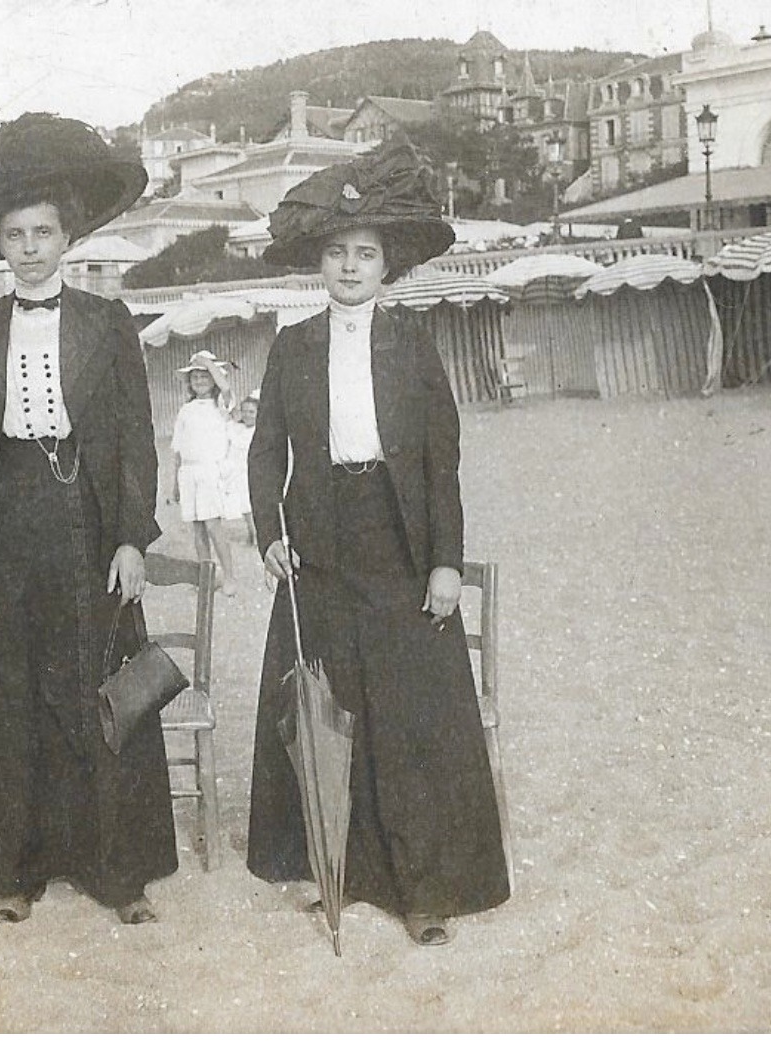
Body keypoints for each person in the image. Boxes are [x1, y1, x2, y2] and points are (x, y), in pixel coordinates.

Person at [246, 140, 510, 946]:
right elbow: (265, 450)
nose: (350, 266)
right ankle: (340, 868)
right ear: (317, 265)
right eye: (335, 253)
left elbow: (439, 459)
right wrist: (270, 534)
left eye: (364, 254)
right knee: (332, 703)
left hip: (398, 540)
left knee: (411, 713)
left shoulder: (412, 344)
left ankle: (422, 887)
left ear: (385, 264)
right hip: (319, 541)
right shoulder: (293, 346)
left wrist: (442, 562)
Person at [0, 112, 176, 927]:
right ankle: (16, 867)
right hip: (5, 517)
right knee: (6, 694)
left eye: (43, 232)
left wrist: (132, 537)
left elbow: (136, 438)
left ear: (67, 239)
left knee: (94, 683)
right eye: (14, 234)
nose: (29, 247)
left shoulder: (108, 323)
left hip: (87, 516)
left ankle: (114, 870)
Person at [169, 351, 239, 595]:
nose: (199, 381)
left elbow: (226, 386)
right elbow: (177, 449)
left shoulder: (220, 405)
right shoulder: (185, 410)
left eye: (205, 376)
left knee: (213, 526)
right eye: (195, 377)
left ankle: (229, 577)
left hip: (210, 471)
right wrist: (174, 484)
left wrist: (206, 361)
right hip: (188, 473)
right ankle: (207, 578)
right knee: (198, 529)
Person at [222, 389, 259, 548]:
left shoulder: (259, 431)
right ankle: (253, 534)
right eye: (244, 411)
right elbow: (228, 414)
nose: (247, 415)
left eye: (251, 412)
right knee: (245, 507)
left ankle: (256, 536)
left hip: (252, 473)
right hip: (237, 474)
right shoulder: (237, 428)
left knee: (252, 506)